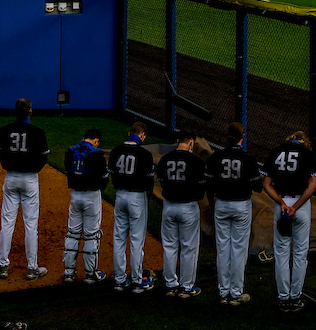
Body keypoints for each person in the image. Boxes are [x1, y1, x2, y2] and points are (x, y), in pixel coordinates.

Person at [261, 130, 316, 312]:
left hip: (281, 206)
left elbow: (266, 184)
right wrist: (296, 205)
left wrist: (281, 202)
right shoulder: (308, 154)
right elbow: (313, 184)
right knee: (300, 253)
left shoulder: (276, 152)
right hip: (300, 205)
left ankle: (283, 297)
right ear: (303, 142)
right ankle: (295, 297)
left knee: (281, 253)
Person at [205, 122, 262, 306]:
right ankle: (236, 293)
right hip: (241, 206)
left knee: (222, 249)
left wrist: (212, 205)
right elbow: (258, 186)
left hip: (221, 203)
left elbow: (208, 185)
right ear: (242, 137)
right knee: (239, 249)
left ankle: (223, 292)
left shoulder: (216, 156)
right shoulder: (248, 158)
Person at [0, 98, 50, 281]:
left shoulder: (5, 131)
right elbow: (43, 158)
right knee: (31, 226)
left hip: (11, 178)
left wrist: (10, 165)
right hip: (30, 180)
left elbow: (0, 154)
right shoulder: (38, 132)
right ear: (30, 112)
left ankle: (3, 266)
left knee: (7, 223)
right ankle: (32, 268)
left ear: (15, 112)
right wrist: (32, 169)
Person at [157, 128, 207, 298]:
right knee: (189, 248)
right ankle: (186, 288)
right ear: (191, 142)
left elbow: (162, 182)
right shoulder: (197, 162)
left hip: (169, 206)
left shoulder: (165, 159)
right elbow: (201, 188)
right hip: (188, 207)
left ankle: (170, 285)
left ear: (179, 141)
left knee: (169, 247)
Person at [109, 121, 155, 293]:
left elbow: (112, 175)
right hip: (137, 197)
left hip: (120, 195)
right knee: (136, 240)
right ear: (142, 135)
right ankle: (137, 281)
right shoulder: (144, 154)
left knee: (119, 238)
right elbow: (149, 183)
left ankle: (120, 280)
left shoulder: (115, 151)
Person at [63, 128, 109, 284]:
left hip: (75, 196)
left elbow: (67, 170)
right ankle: (90, 274)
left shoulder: (70, 151)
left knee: (72, 233)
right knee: (91, 234)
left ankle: (69, 273)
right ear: (96, 140)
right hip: (91, 196)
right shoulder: (97, 154)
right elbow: (103, 179)